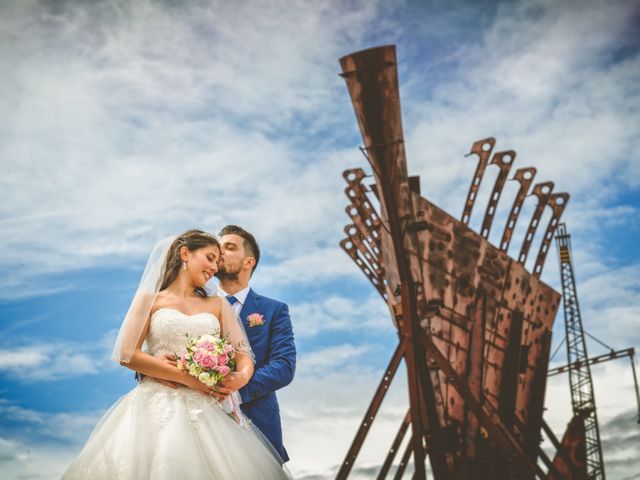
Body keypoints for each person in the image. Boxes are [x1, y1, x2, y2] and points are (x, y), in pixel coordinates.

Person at [62, 230, 290, 479]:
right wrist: (187, 378)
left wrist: (241, 376)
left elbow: (242, 353)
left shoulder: (217, 304)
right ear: (185, 254)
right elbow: (127, 354)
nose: (215, 267)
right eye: (210, 257)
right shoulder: (149, 300)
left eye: (217, 261)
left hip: (208, 410)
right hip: (154, 406)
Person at [213, 225, 296, 462]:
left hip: (256, 423)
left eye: (229, 247)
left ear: (249, 262)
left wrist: (235, 390)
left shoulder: (274, 310)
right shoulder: (194, 306)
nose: (220, 253)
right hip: (198, 419)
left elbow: (284, 366)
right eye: (218, 248)